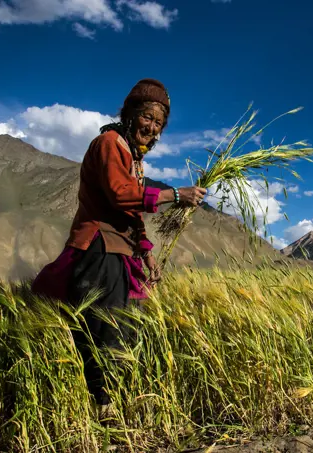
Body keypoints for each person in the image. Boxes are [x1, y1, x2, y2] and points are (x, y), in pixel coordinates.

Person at [31, 78, 206, 410]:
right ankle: (102, 409)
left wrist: (148, 253)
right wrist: (174, 195)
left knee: (123, 330)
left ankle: (111, 402)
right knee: (103, 334)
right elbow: (118, 194)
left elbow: (131, 212)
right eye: (147, 118)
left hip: (122, 251)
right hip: (100, 249)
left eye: (159, 124)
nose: (153, 129)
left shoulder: (134, 159)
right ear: (130, 114)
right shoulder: (110, 144)